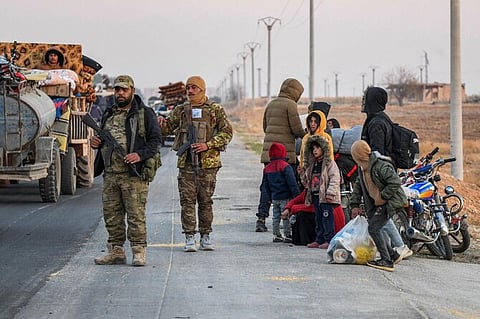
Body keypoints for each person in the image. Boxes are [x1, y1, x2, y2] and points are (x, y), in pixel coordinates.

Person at [91, 75, 162, 267]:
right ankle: (116, 252)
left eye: (124, 89)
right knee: (111, 216)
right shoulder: (109, 113)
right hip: (111, 174)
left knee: (135, 215)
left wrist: (139, 155)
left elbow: (156, 141)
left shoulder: (144, 114)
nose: (120, 93)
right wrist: (95, 143)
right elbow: (102, 140)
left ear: (132, 90)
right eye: (117, 90)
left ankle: (138, 252)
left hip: (133, 176)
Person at [159, 75, 233, 252]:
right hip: (186, 164)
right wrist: (160, 124)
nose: (190, 91)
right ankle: (189, 237)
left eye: (194, 88)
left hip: (208, 164)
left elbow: (227, 133)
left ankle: (205, 235)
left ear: (202, 89)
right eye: (188, 88)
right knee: (187, 201)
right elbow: (167, 129)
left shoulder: (215, 110)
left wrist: (207, 145)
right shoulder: (182, 110)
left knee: (206, 201)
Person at [360, 86, 413, 261]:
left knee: (379, 214)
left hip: (380, 175)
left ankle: (398, 247)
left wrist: (371, 174)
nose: (363, 101)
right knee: (379, 214)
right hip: (381, 172)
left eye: (366, 97)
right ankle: (394, 248)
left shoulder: (376, 123)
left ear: (372, 101)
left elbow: (377, 152)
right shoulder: (378, 119)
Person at [349, 140, 408, 272]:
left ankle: (386, 260)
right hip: (376, 203)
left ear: (358, 155)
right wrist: (354, 204)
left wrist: (383, 197)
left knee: (374, 228)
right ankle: (392, 255)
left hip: (389, 202)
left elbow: (395, 182)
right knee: (377, 228)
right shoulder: (362, 169)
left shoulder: (380, 165)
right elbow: (358, 187)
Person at [256, 78, 305, 232]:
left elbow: (265, 127)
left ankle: (261, 218)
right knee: (290, 186)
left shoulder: (271, 103)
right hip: (285, 156)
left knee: (267, 187)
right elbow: (297, 129)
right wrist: (308, 136)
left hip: (269, 155)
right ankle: (291, 217)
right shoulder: (290, 105)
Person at [302, 135, 341, 249]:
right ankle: (319, 239)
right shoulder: (312, 164)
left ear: (323, 148)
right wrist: (302, 173)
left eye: (317, 148)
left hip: (326, 196)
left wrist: (330, 193)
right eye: (313, 149)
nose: (315, 151)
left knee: (327, 217)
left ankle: (329, 239)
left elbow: (335, 178)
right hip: (315, 195)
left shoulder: (329, 163)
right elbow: (306, 180)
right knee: (318, 218)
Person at [258, 142, 300, 243]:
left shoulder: (267, 168)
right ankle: (288, 234)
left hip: (274, 198)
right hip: (285, 197)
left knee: (276, 217)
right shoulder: (285, 167)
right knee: (285, 216)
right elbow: (292, 183)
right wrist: (297, 196)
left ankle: (276, 234)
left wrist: (267, 199)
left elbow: (265, 186)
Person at [280, 181, 345, 246]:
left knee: (302, 215)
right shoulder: (309, 190)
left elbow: (316, 208)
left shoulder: (320, 190)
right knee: (300, 214)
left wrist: (293, 208)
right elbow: (296, 200)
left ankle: (322, 239)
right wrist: (287, 208)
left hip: (333, 222)